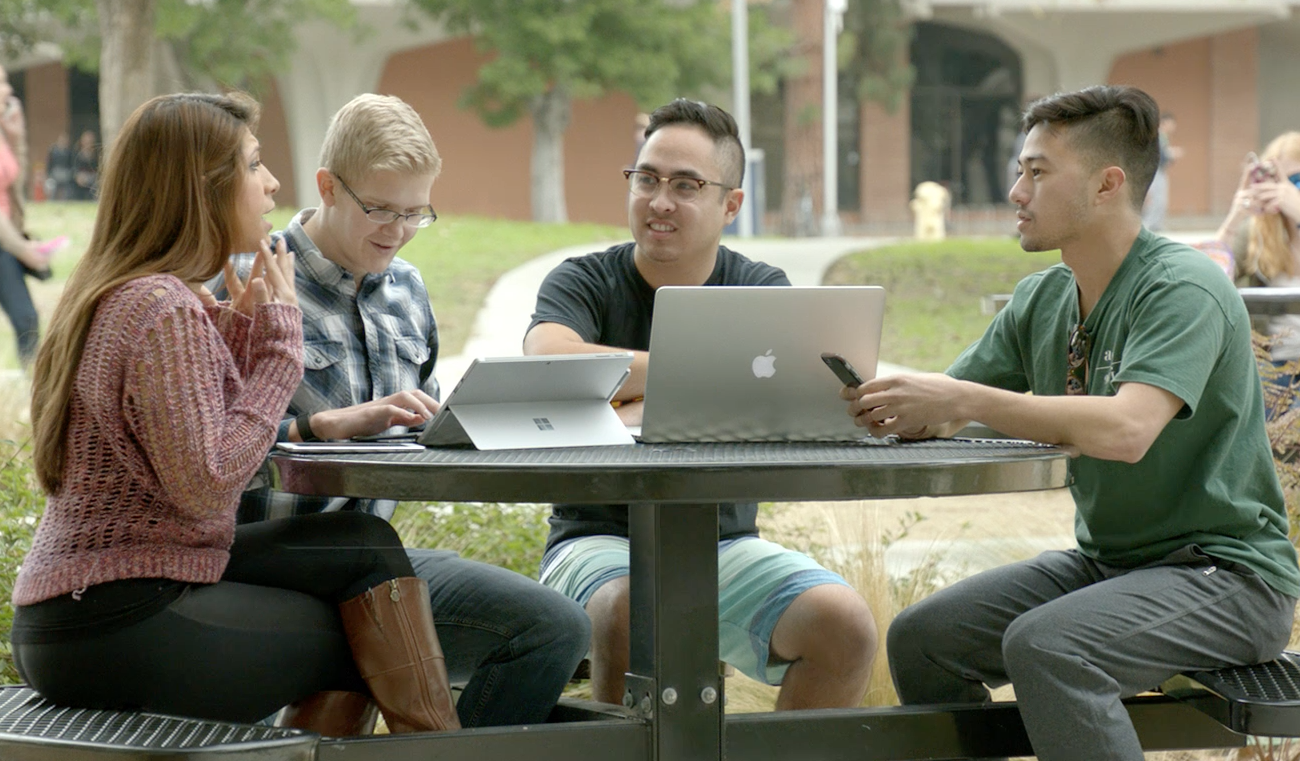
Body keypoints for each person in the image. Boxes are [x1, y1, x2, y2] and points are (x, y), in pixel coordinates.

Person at [844, 85, 1299, 761]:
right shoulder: (1045, 297)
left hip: (1230, 579)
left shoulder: (1183, 286)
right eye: (1018, 170)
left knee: (1050, 645)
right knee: (922, 639)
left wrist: (962, 399)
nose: (1014, 192)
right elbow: (949, 405)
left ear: (1108, 184)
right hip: (1111, 566)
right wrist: (866, 386)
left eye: (1036, 172)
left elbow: (1126, 429)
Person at [9, 92, 462, 736]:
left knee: (359, 542)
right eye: (253, 166)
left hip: (93, 608)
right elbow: (207, 484)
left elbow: (193, 442)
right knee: (368, 643)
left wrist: (245, 340)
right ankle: (444, 755)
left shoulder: (140, 294)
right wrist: (280, 350)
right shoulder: (159, 309)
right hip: (119, 617)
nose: (274, 183)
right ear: (203, 188)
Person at [211, 93, 590, 728]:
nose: (398, 230)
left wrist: (475, 425)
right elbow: (204, 449)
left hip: (379, 566)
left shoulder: (408, 290)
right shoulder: (248, 277)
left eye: (417, 213)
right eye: (380, 209)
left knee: (556, 628)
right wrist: (316, 430)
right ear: (328, 186)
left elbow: (425, 431)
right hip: (259, 560)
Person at [523, 98, 877, 709]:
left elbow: (799, 390)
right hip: (595, 538)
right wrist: (704, 374)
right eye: (647, 179)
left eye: (686, 186)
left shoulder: (760, 290)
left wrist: (624, 387)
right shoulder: (581, 280)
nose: (660, 201)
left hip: (726, 544)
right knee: (631, 608)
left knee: (844, 626)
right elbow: (550, 360)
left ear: (731, 205)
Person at [1195, 132, 1300, 416]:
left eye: (1297, 181)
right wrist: (1235, 217)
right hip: (1274, 369)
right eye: (1280, 182)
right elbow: (1205, 281)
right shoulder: (1258, 232)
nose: (1289, 191)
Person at [0, 65, 66, 369]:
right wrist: (23, 249)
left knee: (27, 318)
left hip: (7, 238)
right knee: (25, 316)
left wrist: (16, 137)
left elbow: (15, 184)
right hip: (5, 241)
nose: (8, 91)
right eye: (1, 83)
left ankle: (31, 384)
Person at [1140, 111, 1182, 232]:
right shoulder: (1157, 136)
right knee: (1155, 199)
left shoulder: (1163, 137)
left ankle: (1156, 225)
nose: (1173, 127)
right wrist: (1171, 155)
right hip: (1155, 171)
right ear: (1164, 123)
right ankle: (1148, 225)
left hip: (1160, 171)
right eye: (1171, 123)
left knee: (1161, 200)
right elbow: (1158, 155)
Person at [45, 133, 74, 200]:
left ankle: (65, 200)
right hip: (55, 172)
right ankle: (52, 200)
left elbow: (70, 164)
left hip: (65, 173)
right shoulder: (53, 151)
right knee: (52, 186)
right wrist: (48, 174)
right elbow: (50, 164)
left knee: (66, 188)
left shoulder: (69, 152)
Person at [71, 130, 98, 200]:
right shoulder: (77, 153)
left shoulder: (96, 154)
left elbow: (97, 168)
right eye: (86, 141)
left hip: (92, 176)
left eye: (90, 141)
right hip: (81, 176)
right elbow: (74, 167)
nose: (88, 143)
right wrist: (77, 175)